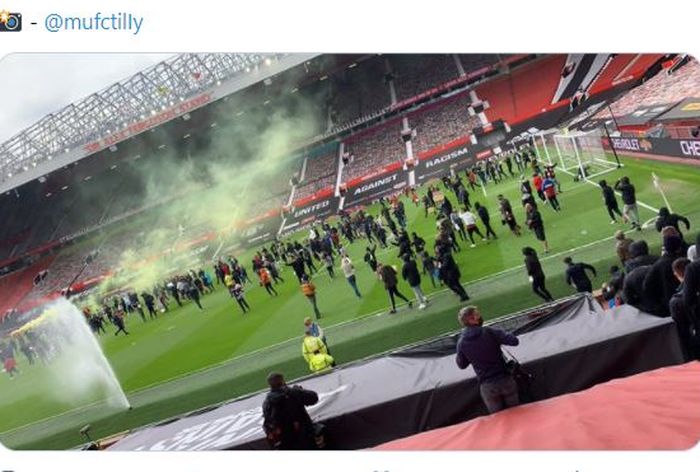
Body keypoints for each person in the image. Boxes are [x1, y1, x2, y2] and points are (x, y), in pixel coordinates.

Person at [455, 306, 520, 414]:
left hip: (487, 385)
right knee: (517, 414)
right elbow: (514, 341)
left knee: (498, 420)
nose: (480, 316)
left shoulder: (461, 342)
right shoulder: (489, 332)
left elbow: (462, 365)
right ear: (472, 319)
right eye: (477, 314)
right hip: (505, 379)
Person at [262, 372, 319, 450]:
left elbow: (268, 421)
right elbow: (313, 398)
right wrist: (299, 390)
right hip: (303, 436)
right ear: (282, 381)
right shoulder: (292, 393)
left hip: (285, 442)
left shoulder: (267, 402)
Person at [643, 234, 685, 317]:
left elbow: (647, 287)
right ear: (679, 248)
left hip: (669, 305)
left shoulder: (657, 265)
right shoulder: (683, 261)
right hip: (687, 299)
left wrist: (660, 304)